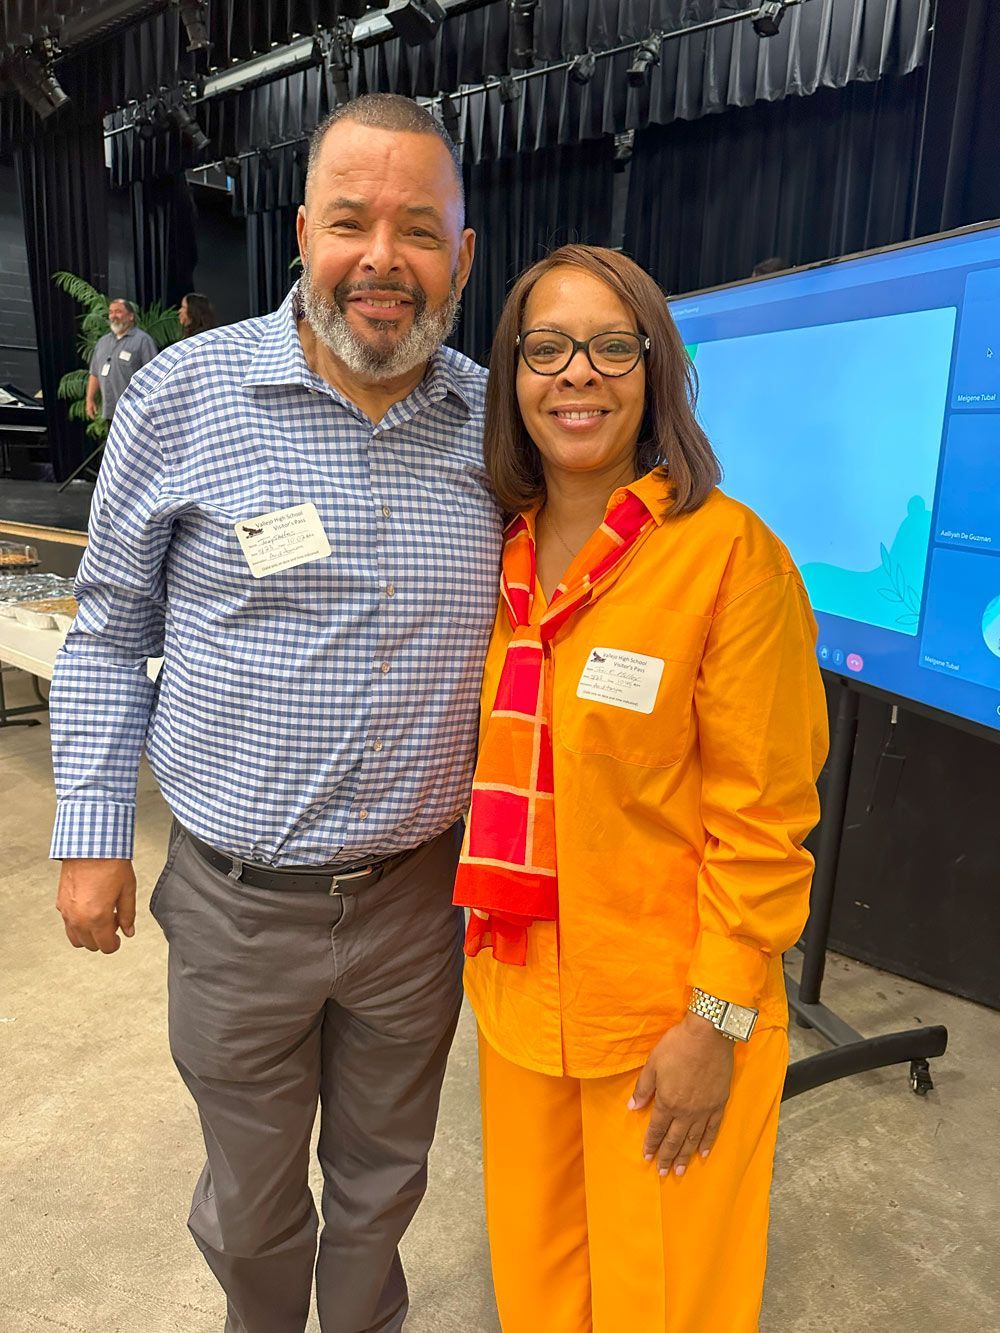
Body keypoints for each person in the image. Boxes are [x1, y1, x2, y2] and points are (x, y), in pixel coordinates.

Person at [49, 94, 499, 1333]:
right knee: (252, 1208)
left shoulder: (495, 428)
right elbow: (109, 626)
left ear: (462, 255)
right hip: (240, 905)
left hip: (419, 898)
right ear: (303, 231)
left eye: (419, 230)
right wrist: (89, 832)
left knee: (383, 1183)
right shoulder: (182, 398)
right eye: (351, 221)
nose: (382, 259)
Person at [453, 244, 829, 1333]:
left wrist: (713, 1021)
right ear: (514, 378)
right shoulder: (501, 557)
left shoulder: (727, 558)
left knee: (665, 1305)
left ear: (655, 371)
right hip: (521, 1004)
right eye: (547, 347)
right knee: (537, 1293)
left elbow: (763, 819)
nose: (578, 373)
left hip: (671, 1022)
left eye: (612, 346)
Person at [85, 298, 158, 420]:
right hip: (110, 411)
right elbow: (94, 373)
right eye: (111, 312)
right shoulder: (103, 342)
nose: (113, 316)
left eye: (118, 311)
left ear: (131, 316)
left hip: (135, 413)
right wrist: (89, 399)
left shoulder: (143, 341)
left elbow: (153, 376)